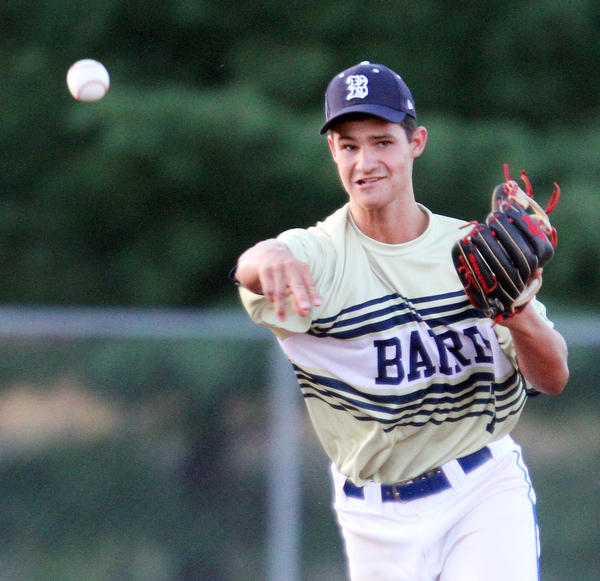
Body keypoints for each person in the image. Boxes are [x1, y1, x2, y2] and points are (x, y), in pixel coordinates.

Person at [233, 61, 569, 581]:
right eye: (348, 145)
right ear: (333, 152)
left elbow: (553, 377)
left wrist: (519, 315)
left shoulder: (475, 249)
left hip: (482, 489)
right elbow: (257, 264)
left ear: (416, 143)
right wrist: (267, 256)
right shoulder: (319, 254)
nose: (365, 161)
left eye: (382, 141)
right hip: (374, 516)